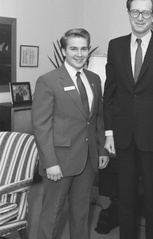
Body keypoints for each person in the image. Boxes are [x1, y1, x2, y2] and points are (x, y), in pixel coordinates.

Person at [103, 0, 153, 239]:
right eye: (135, 12)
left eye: (146, 12)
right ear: (128, 13)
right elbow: (110, 92)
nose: (140, 17)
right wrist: (108, 132)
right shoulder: (115, 45)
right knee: (125, 199)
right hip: (124, 136)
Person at [32, 28, 109, 239]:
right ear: (64, 50)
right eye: (73, 48)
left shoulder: (94, 79)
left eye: (84, 48)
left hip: (88, 159)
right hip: (59, 160)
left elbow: (97, 118)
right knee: (52, 213)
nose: (79, 53)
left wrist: (101, 149)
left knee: (81, 213)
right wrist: (50, 163)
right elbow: (41, 126)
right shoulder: (48, 80)